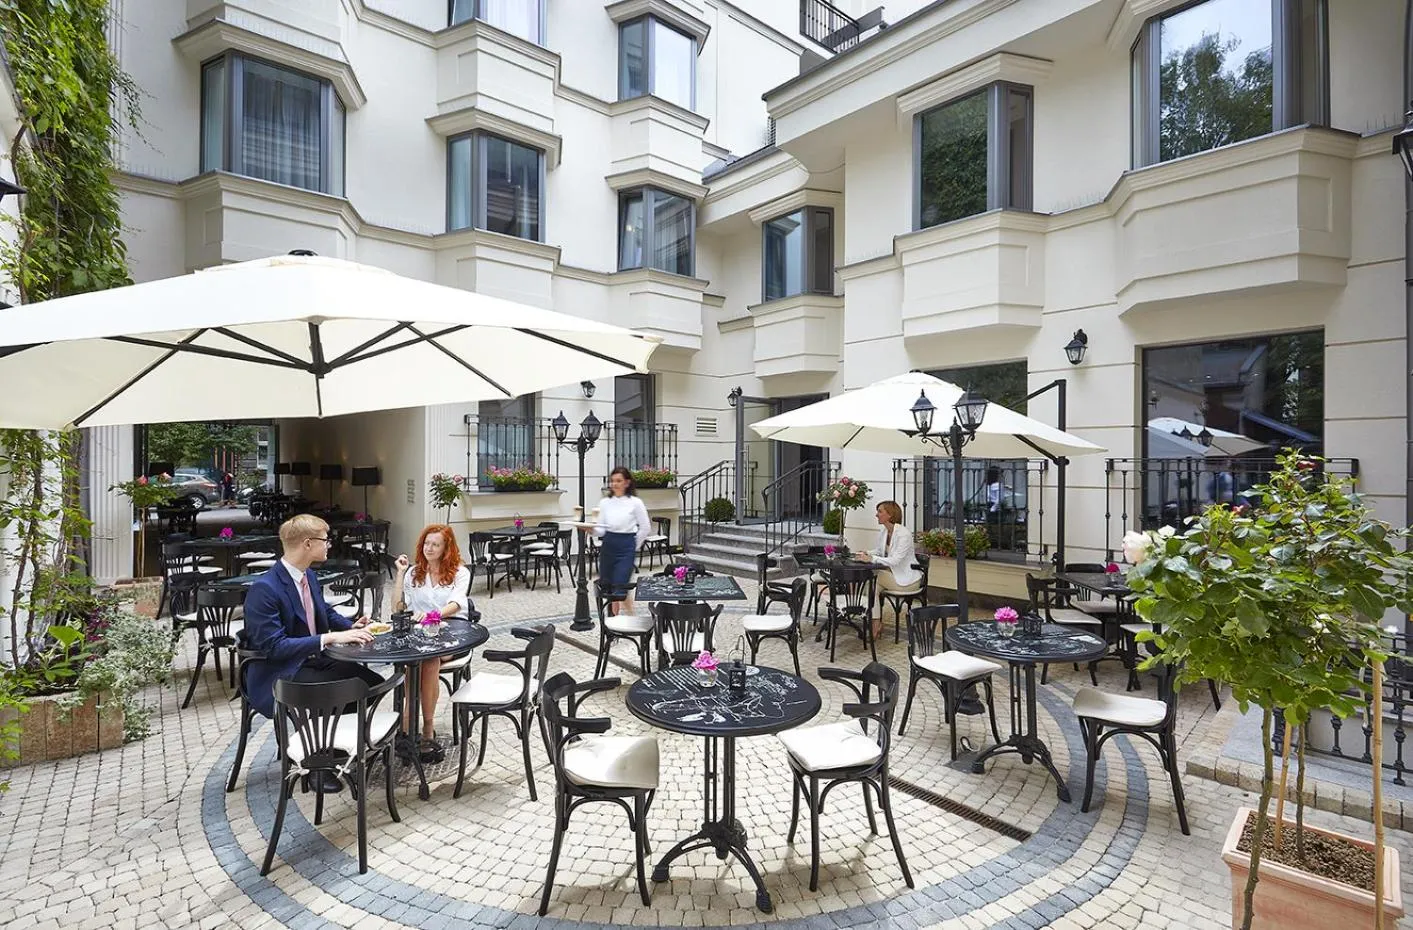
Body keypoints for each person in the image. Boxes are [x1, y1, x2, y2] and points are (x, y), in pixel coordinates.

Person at [243, 514, 376, 789]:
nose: (329, 545)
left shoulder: (309, 576)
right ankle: (317, 765)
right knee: (334, 688)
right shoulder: (264, 589)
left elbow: (323, 611)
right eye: (325, 540)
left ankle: (339, 750)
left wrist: (352, 626)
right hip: (278, 672)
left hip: (311, 661)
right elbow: (274, 647)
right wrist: (329, 638)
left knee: (368, 682)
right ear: (307, 543)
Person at [391, 524, 472, 763]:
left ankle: (422, 728)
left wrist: (432, 616)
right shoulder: (415, 572)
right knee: (414, 660)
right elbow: (398, 608)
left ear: (447, 548)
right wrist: (399, 574)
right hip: (421, 633)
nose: (429, 548)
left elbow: (456, 605)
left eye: (435, 544)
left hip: (453, 629)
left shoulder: (459, 572)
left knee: (430, 657)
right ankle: (411, 725)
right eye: (426, 543)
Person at [578, 466, 650, 615]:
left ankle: (631, 617)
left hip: (626, 547)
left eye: (618, 481)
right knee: (609, 587)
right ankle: (613, 623)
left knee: (620, 585)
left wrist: (632, 546)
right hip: (608, 546)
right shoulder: (605, 503)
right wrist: (589, 529)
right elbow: (601, 530)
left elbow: (645, 528)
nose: (615, 484)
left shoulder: (635, 503)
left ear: (627, 483)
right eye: (612, 481)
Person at [855, 500, 921, 640]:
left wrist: (871, 558)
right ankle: (876, 623)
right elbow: (879, 551)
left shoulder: (903, 534)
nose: (876, 515)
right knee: (872, 585)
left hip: (907, 580)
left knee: (872, 579)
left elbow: (896, 560)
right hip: (893, 577)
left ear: (890, 515)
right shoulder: (885, 531)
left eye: (880, 511)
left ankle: (874, 623)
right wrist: (866, 552)